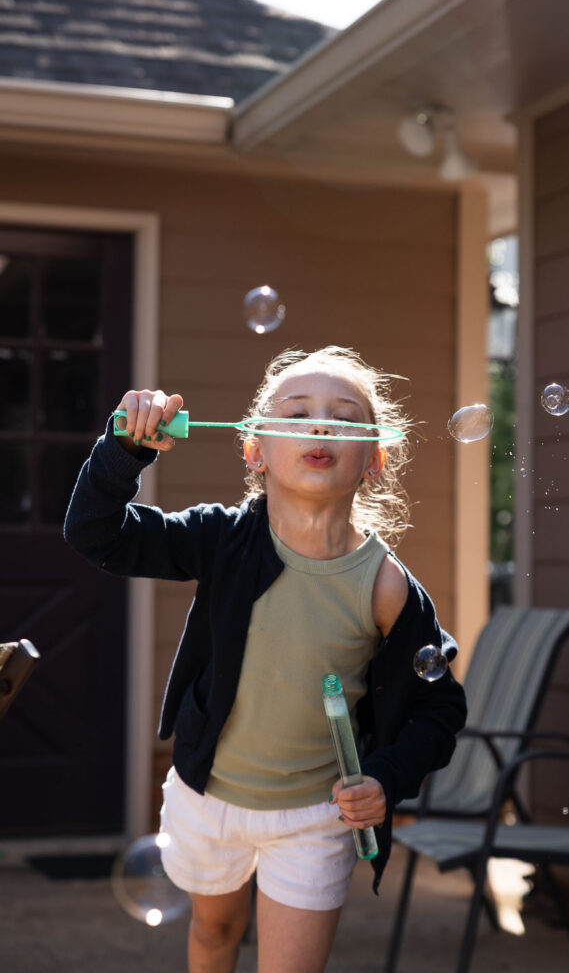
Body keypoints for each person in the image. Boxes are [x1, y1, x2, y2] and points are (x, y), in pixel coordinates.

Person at [64, 345, 467, 973]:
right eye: (298, 412)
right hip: (208, 797)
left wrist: (387, 776)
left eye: (344, 417)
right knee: (213, 933)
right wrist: (124, 451)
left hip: (315, 816)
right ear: (254, 450)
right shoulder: (220, 540)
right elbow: (95, 534)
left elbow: (440, 706)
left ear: (375, 461)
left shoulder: (385, 586)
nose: (320, 425)